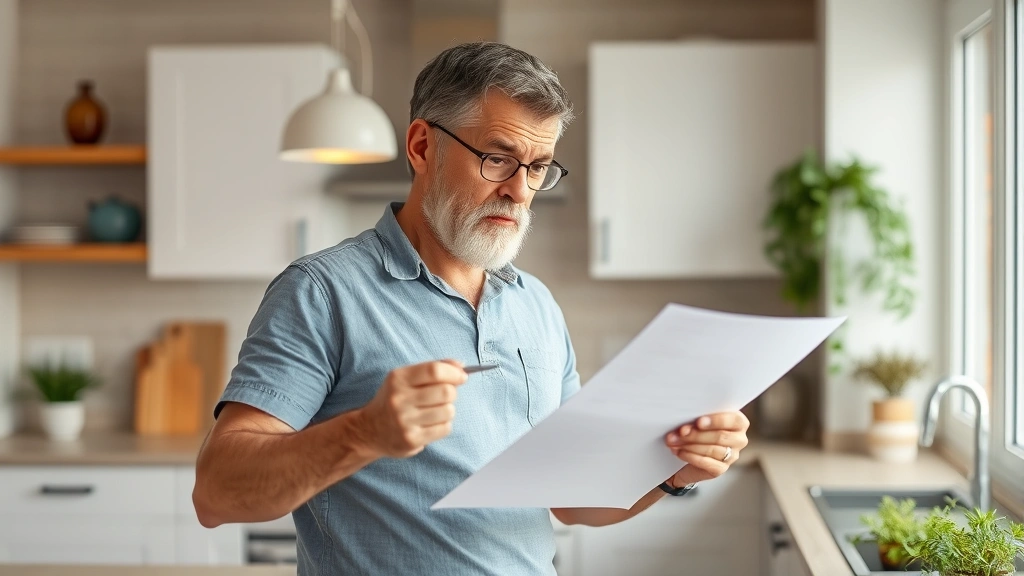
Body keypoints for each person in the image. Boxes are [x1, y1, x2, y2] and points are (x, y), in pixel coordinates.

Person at [193, 41, 749, 575]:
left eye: (538, 168)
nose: (520, 191)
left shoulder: (537, 306)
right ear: (421, 147)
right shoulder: (321, 292)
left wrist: (675, 473)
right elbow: (216, 494)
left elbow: (574, 497)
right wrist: (363, 433)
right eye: (497, 159)